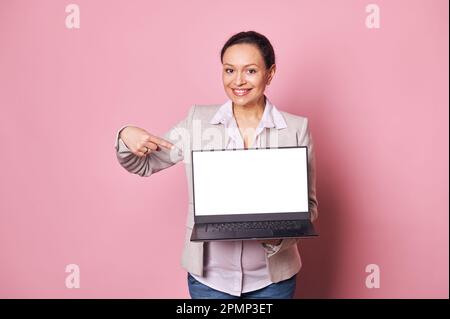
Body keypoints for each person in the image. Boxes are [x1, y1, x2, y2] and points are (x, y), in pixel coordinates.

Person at [115, 31, 318, 299]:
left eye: (251, 71)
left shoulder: (295, 128)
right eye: (230, 70)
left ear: (270, 74)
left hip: (272, 282)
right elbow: (144, 165)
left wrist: (276, 238)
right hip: (209, 281)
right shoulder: (197, 122)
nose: (238, 81)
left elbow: (309, 207)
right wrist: (125, 136)